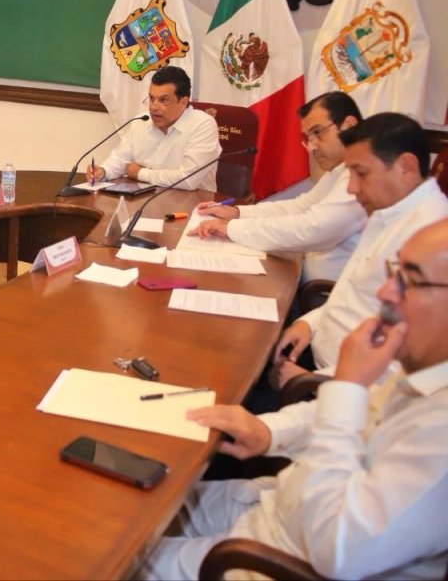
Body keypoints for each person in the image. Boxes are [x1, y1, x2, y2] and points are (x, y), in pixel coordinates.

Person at [139, 219, 448, 580]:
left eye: (409, 280)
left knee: (106, 557)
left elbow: (338, 550)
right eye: (395, 273)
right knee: (132, 505)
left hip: (274, 559)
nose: (385, 292)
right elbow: (361, 414)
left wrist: (347, 386)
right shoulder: (429, 368)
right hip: (278, 503)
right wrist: (269, 431)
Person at [271, 112, 448, 389]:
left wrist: (313, 382)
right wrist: (309, 324)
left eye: (361, 173)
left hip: (337, 388)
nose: (352, 188)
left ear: (406, 167)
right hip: (319, 361)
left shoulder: (429, 241)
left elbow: (401, 372)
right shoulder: (388, 210)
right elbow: (352, 292)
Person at [188, 92, 367, 282]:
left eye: (317, 133)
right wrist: (237, 213)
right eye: (308, 138)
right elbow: (301, 207)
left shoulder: (365, 174)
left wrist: (231, 228)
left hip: (322, 292)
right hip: (303, 276)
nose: (312, 147)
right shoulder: (343, 169)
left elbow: (312, 228)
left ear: (349, 125)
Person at [85, 66, 221, 191]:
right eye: (151, 98)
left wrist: (140, 173)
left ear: (183, 102)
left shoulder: (202, 125)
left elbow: (187, 180)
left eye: (163, 100)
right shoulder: (141, 121)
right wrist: (103, 171)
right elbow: (120, 159)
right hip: (146, 200)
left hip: (192, 204)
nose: (154, 107)